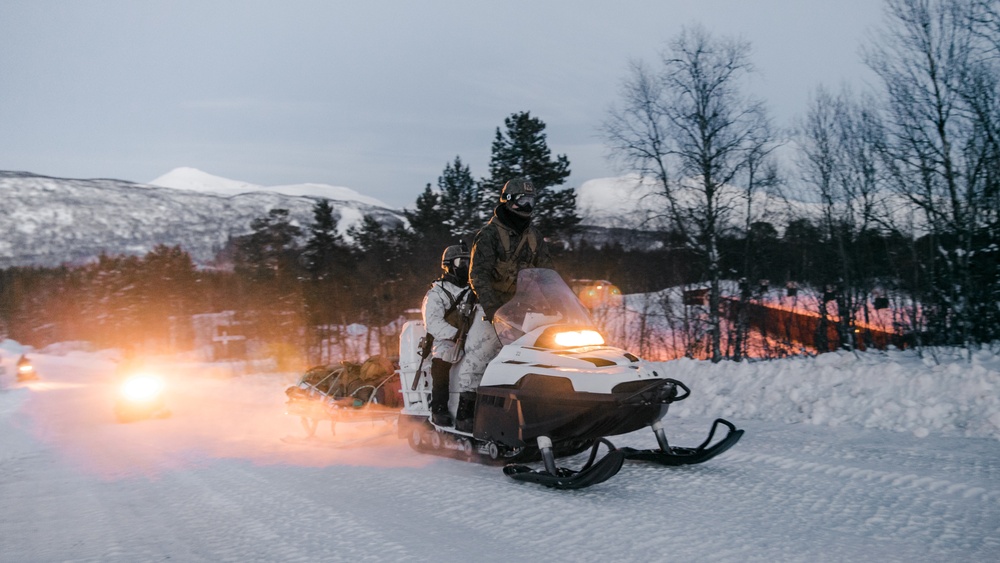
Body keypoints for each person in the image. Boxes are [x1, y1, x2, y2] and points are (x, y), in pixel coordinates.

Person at [454, 177, 552, 432]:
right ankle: (465, 415)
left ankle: (536, 408)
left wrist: (559, 304)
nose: (528, 206)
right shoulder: (488, 235)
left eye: (532, 201)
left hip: (525, 310)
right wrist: (493, 311)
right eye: (523, 200)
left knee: (540, 356)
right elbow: (478, 275)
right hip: (492, 309)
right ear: (508, 201)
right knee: (481, 356)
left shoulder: (535, 237)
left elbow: (547, 273)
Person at [420, 244, 474, 426]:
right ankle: (439, 408)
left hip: (475, 336)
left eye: (469, 262)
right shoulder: (437, 293)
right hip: (448, 339)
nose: (465, 267)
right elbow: (433, 322)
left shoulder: (474, 290)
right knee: (442, 360)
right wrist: (456, 334)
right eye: (461, 262)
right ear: (449, 265)